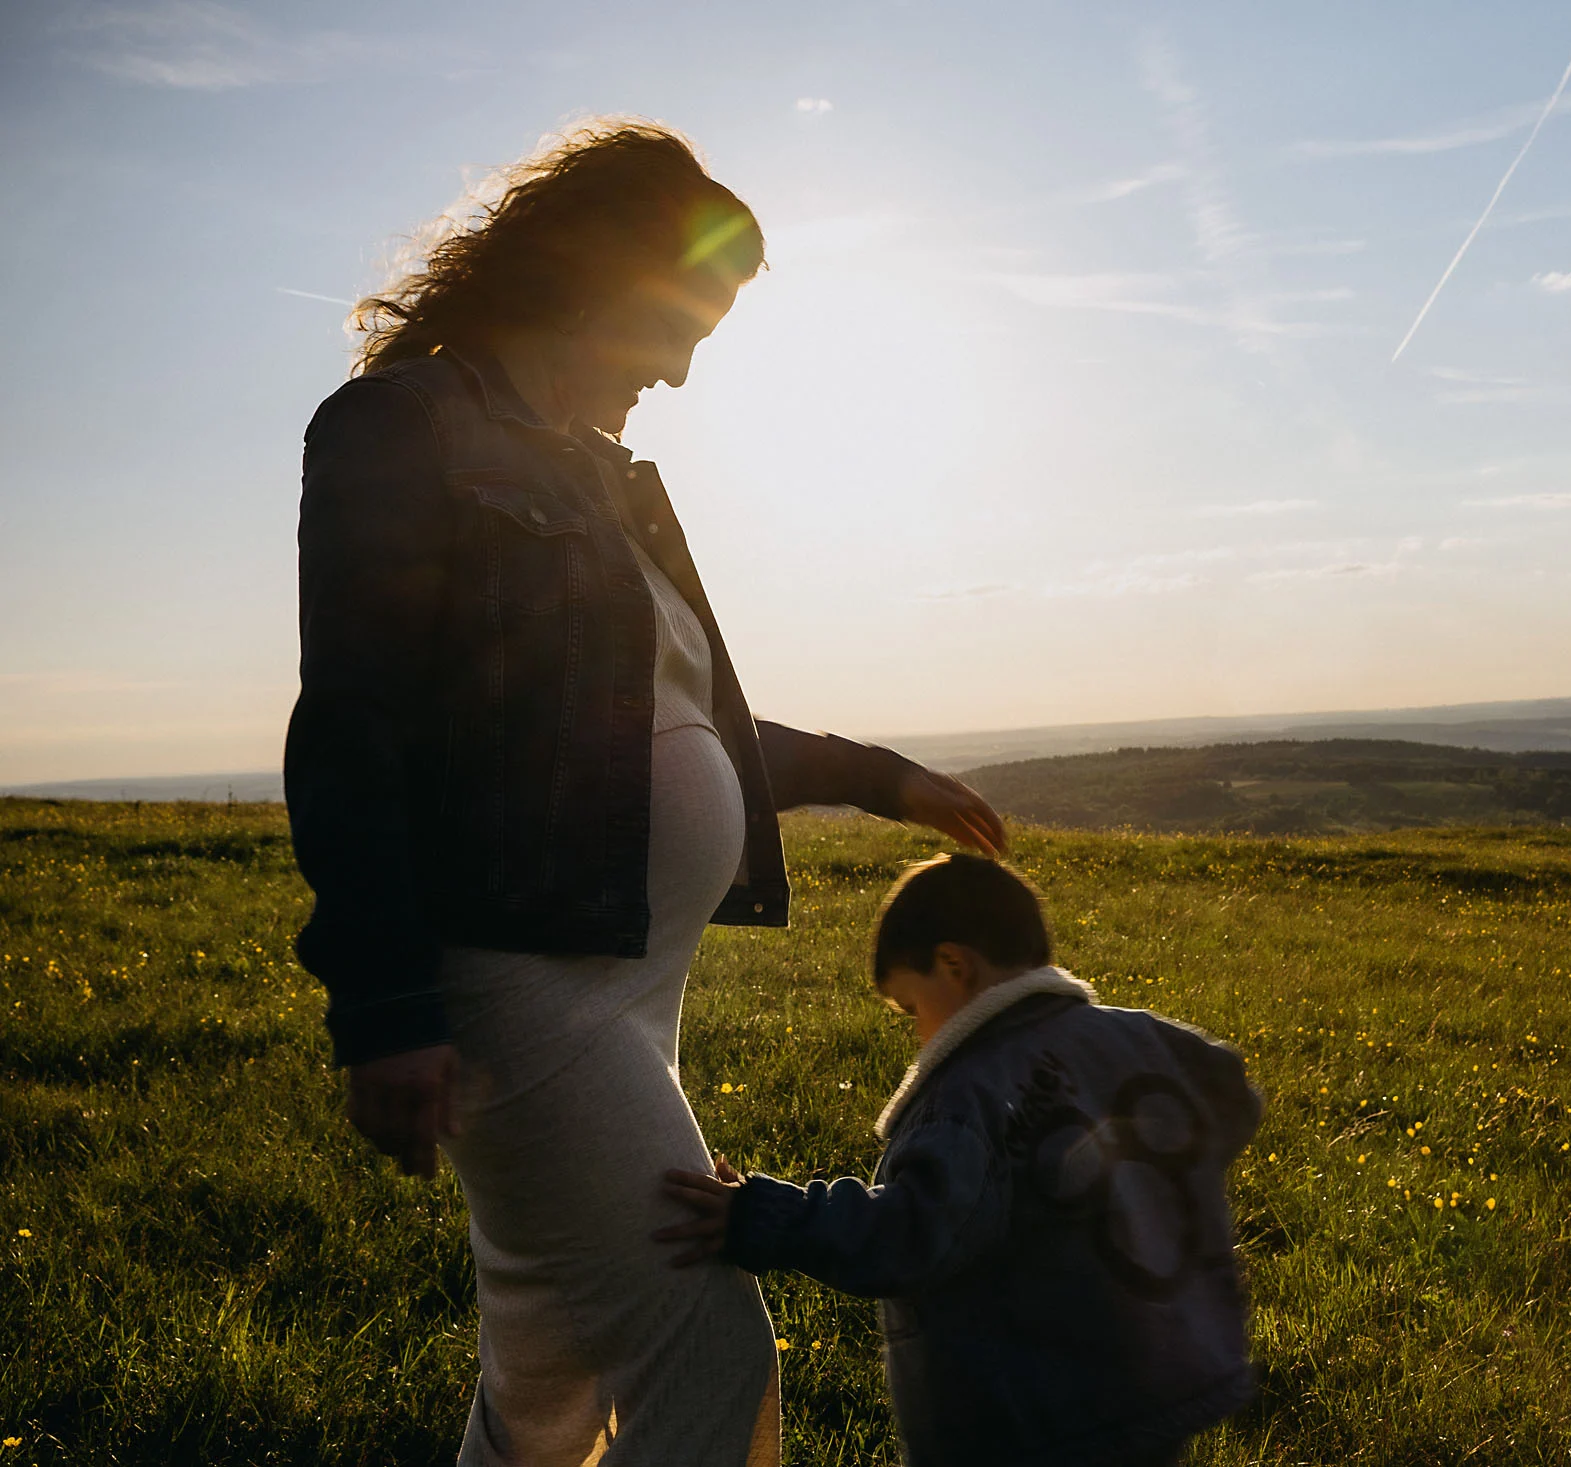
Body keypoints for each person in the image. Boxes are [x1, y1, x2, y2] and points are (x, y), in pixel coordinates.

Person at [283, 119, 1007, 1466]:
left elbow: (673, 726)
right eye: (677, 323)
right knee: (705, 1339)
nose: (678, 369)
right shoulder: (401, 430)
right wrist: (381, 1004)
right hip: (520, 972)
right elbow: (353, 723)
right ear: (591, 269)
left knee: (546, 1370)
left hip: (625, 975)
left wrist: (878, 776)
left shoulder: (603, 484)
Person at [654, 854, 1264, 1467]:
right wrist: (1144, 1179)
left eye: (912, 1007)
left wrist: (763, 1214)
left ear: (953, 965)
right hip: (1160, 1374)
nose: (919, 1034)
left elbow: (907, 1235)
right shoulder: (1140, 1035)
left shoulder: (967, 1099)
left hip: (1033, 1420)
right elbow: (1230, 1091)